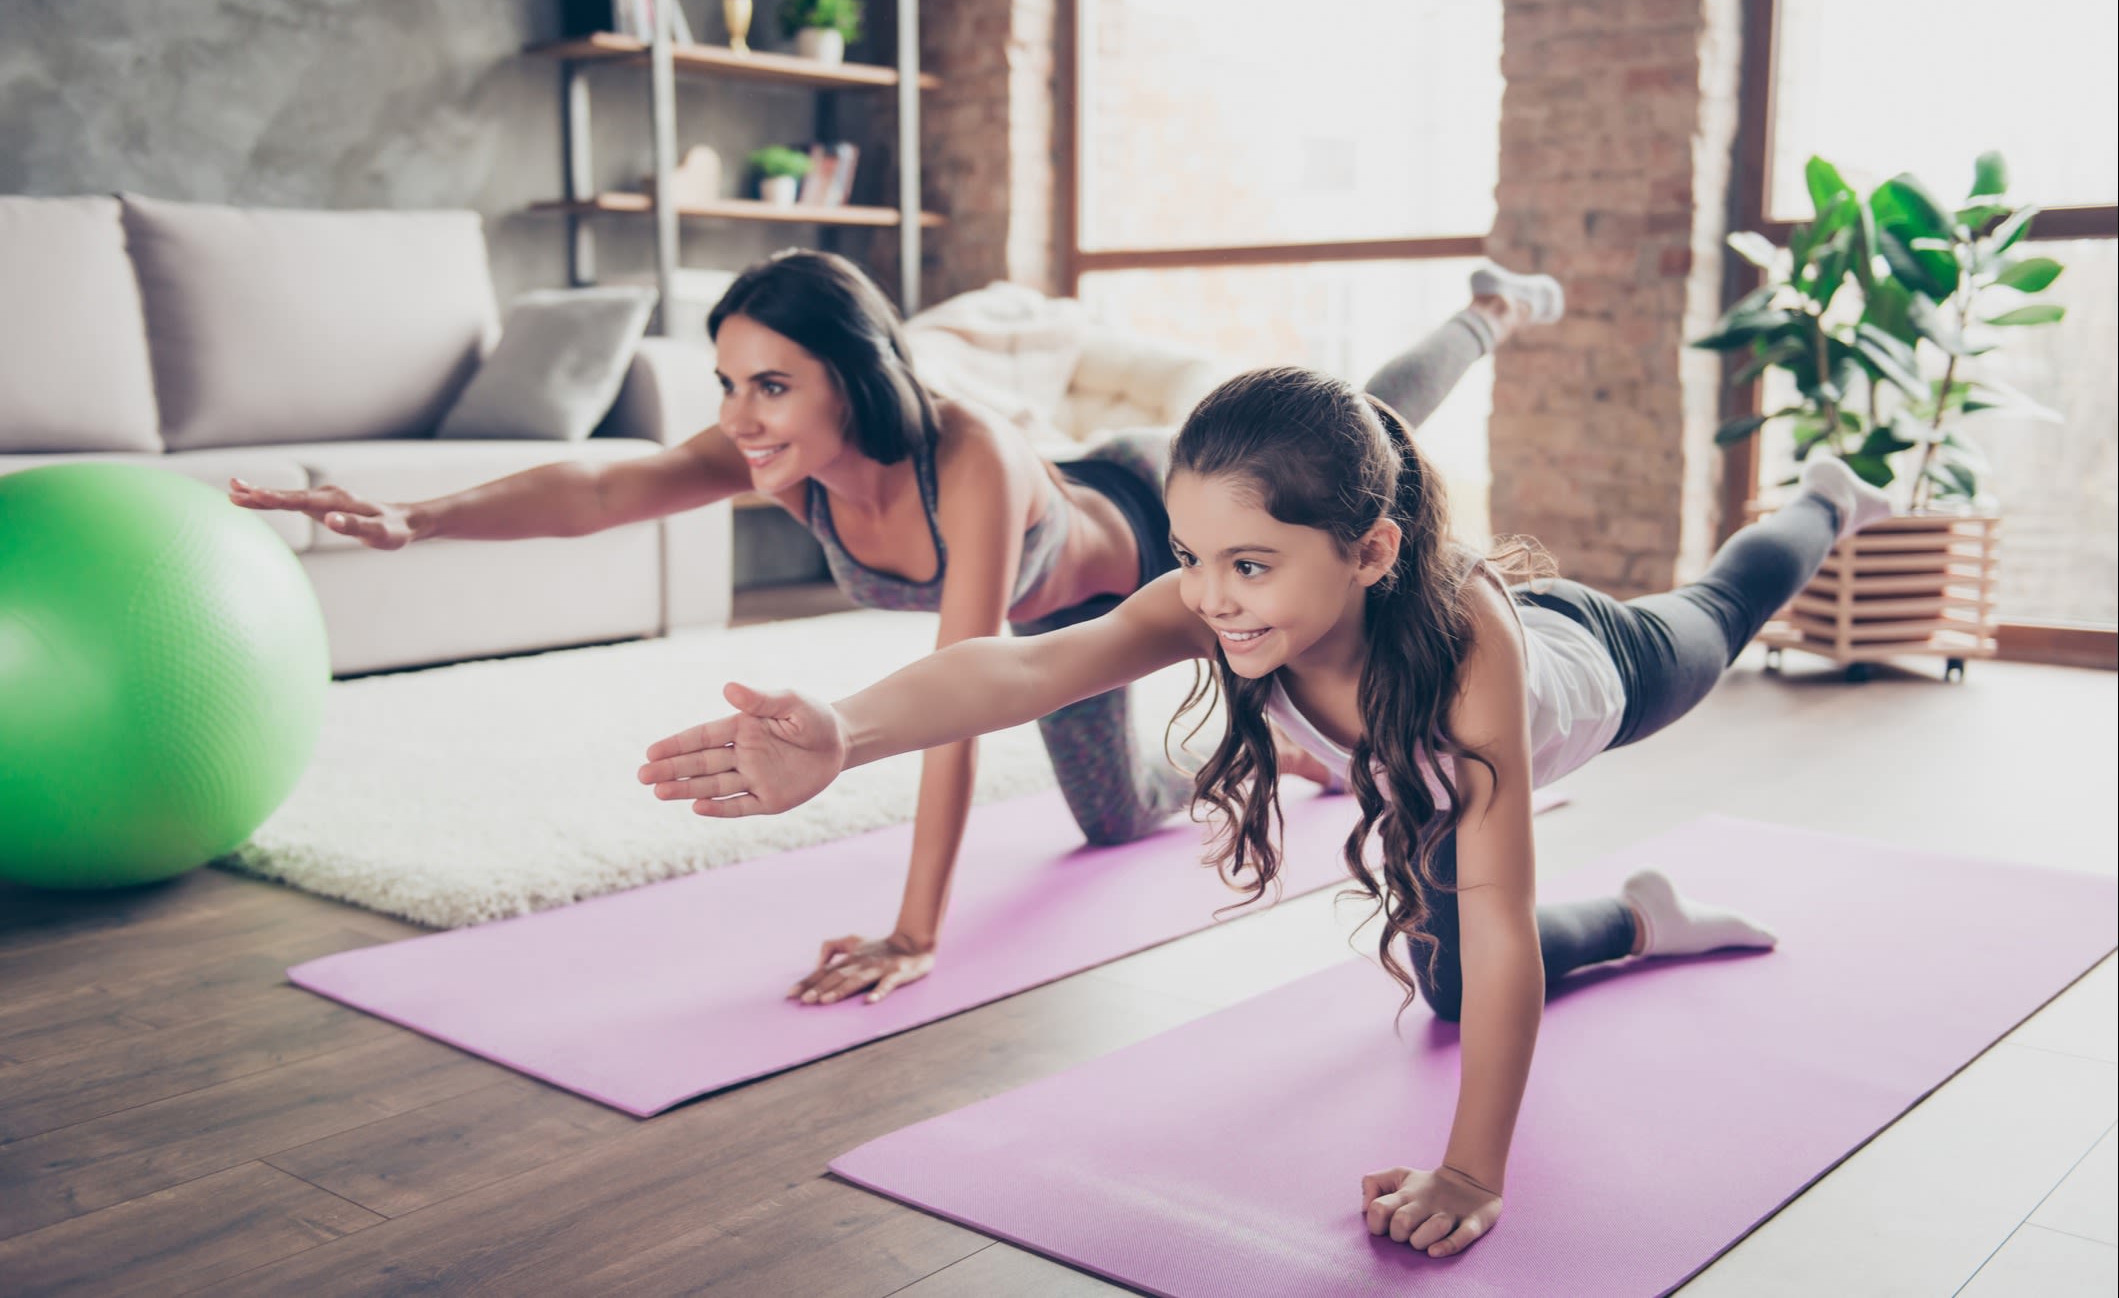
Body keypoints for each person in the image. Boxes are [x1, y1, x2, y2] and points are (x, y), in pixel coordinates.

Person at [634, 354, 1891, 1259]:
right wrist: (846, 732)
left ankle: (1826, 496)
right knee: (1449, 991)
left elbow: (1499, 913)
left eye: (1249, 564)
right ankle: (1637, 921)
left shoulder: (1466, 657)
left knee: (1718, 618)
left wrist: (1468, 1169)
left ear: (1371, 551)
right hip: (1428, 775)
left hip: (1587, 673)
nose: (1213, 597)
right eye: (1189, 556)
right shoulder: (1216, 600)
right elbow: (1026, 664)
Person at [232, 247, 1559, 1010]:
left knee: (1367, 429)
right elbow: (601, 483)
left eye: (770, 384)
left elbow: (967, 686)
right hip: (1086, 628)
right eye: (727, 385)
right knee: (1117, 819)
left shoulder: (962, 457)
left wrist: (917, 928)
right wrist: (421, 517)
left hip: (1117, 541)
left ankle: (1482, 311)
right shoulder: (781, 454)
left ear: (850, 378)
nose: (741, 414)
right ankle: (1294, 730)